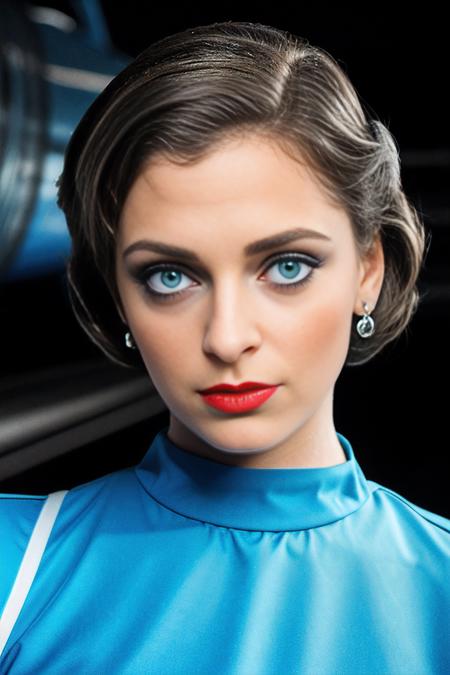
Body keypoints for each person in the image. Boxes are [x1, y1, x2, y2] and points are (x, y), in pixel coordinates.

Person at [1, 20, 449, 674]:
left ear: (368, 269)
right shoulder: (15, 567)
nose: (227, 336)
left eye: (287, 266)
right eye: (170, 277)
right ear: (119, 296)